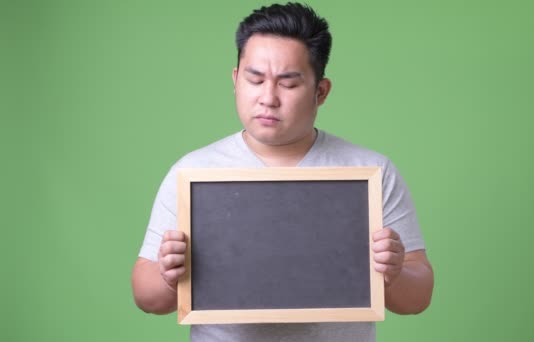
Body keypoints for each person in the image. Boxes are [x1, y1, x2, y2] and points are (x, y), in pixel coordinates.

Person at [132, 3, 434, 341]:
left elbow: (417, 297)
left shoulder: (371, 173)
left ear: (321, 91)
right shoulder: (194, 172)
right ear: (235, 80)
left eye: (288, 84)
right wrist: (167, 274)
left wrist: (393, 273)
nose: (268, 98)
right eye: (255, 79)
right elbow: (147, 298)